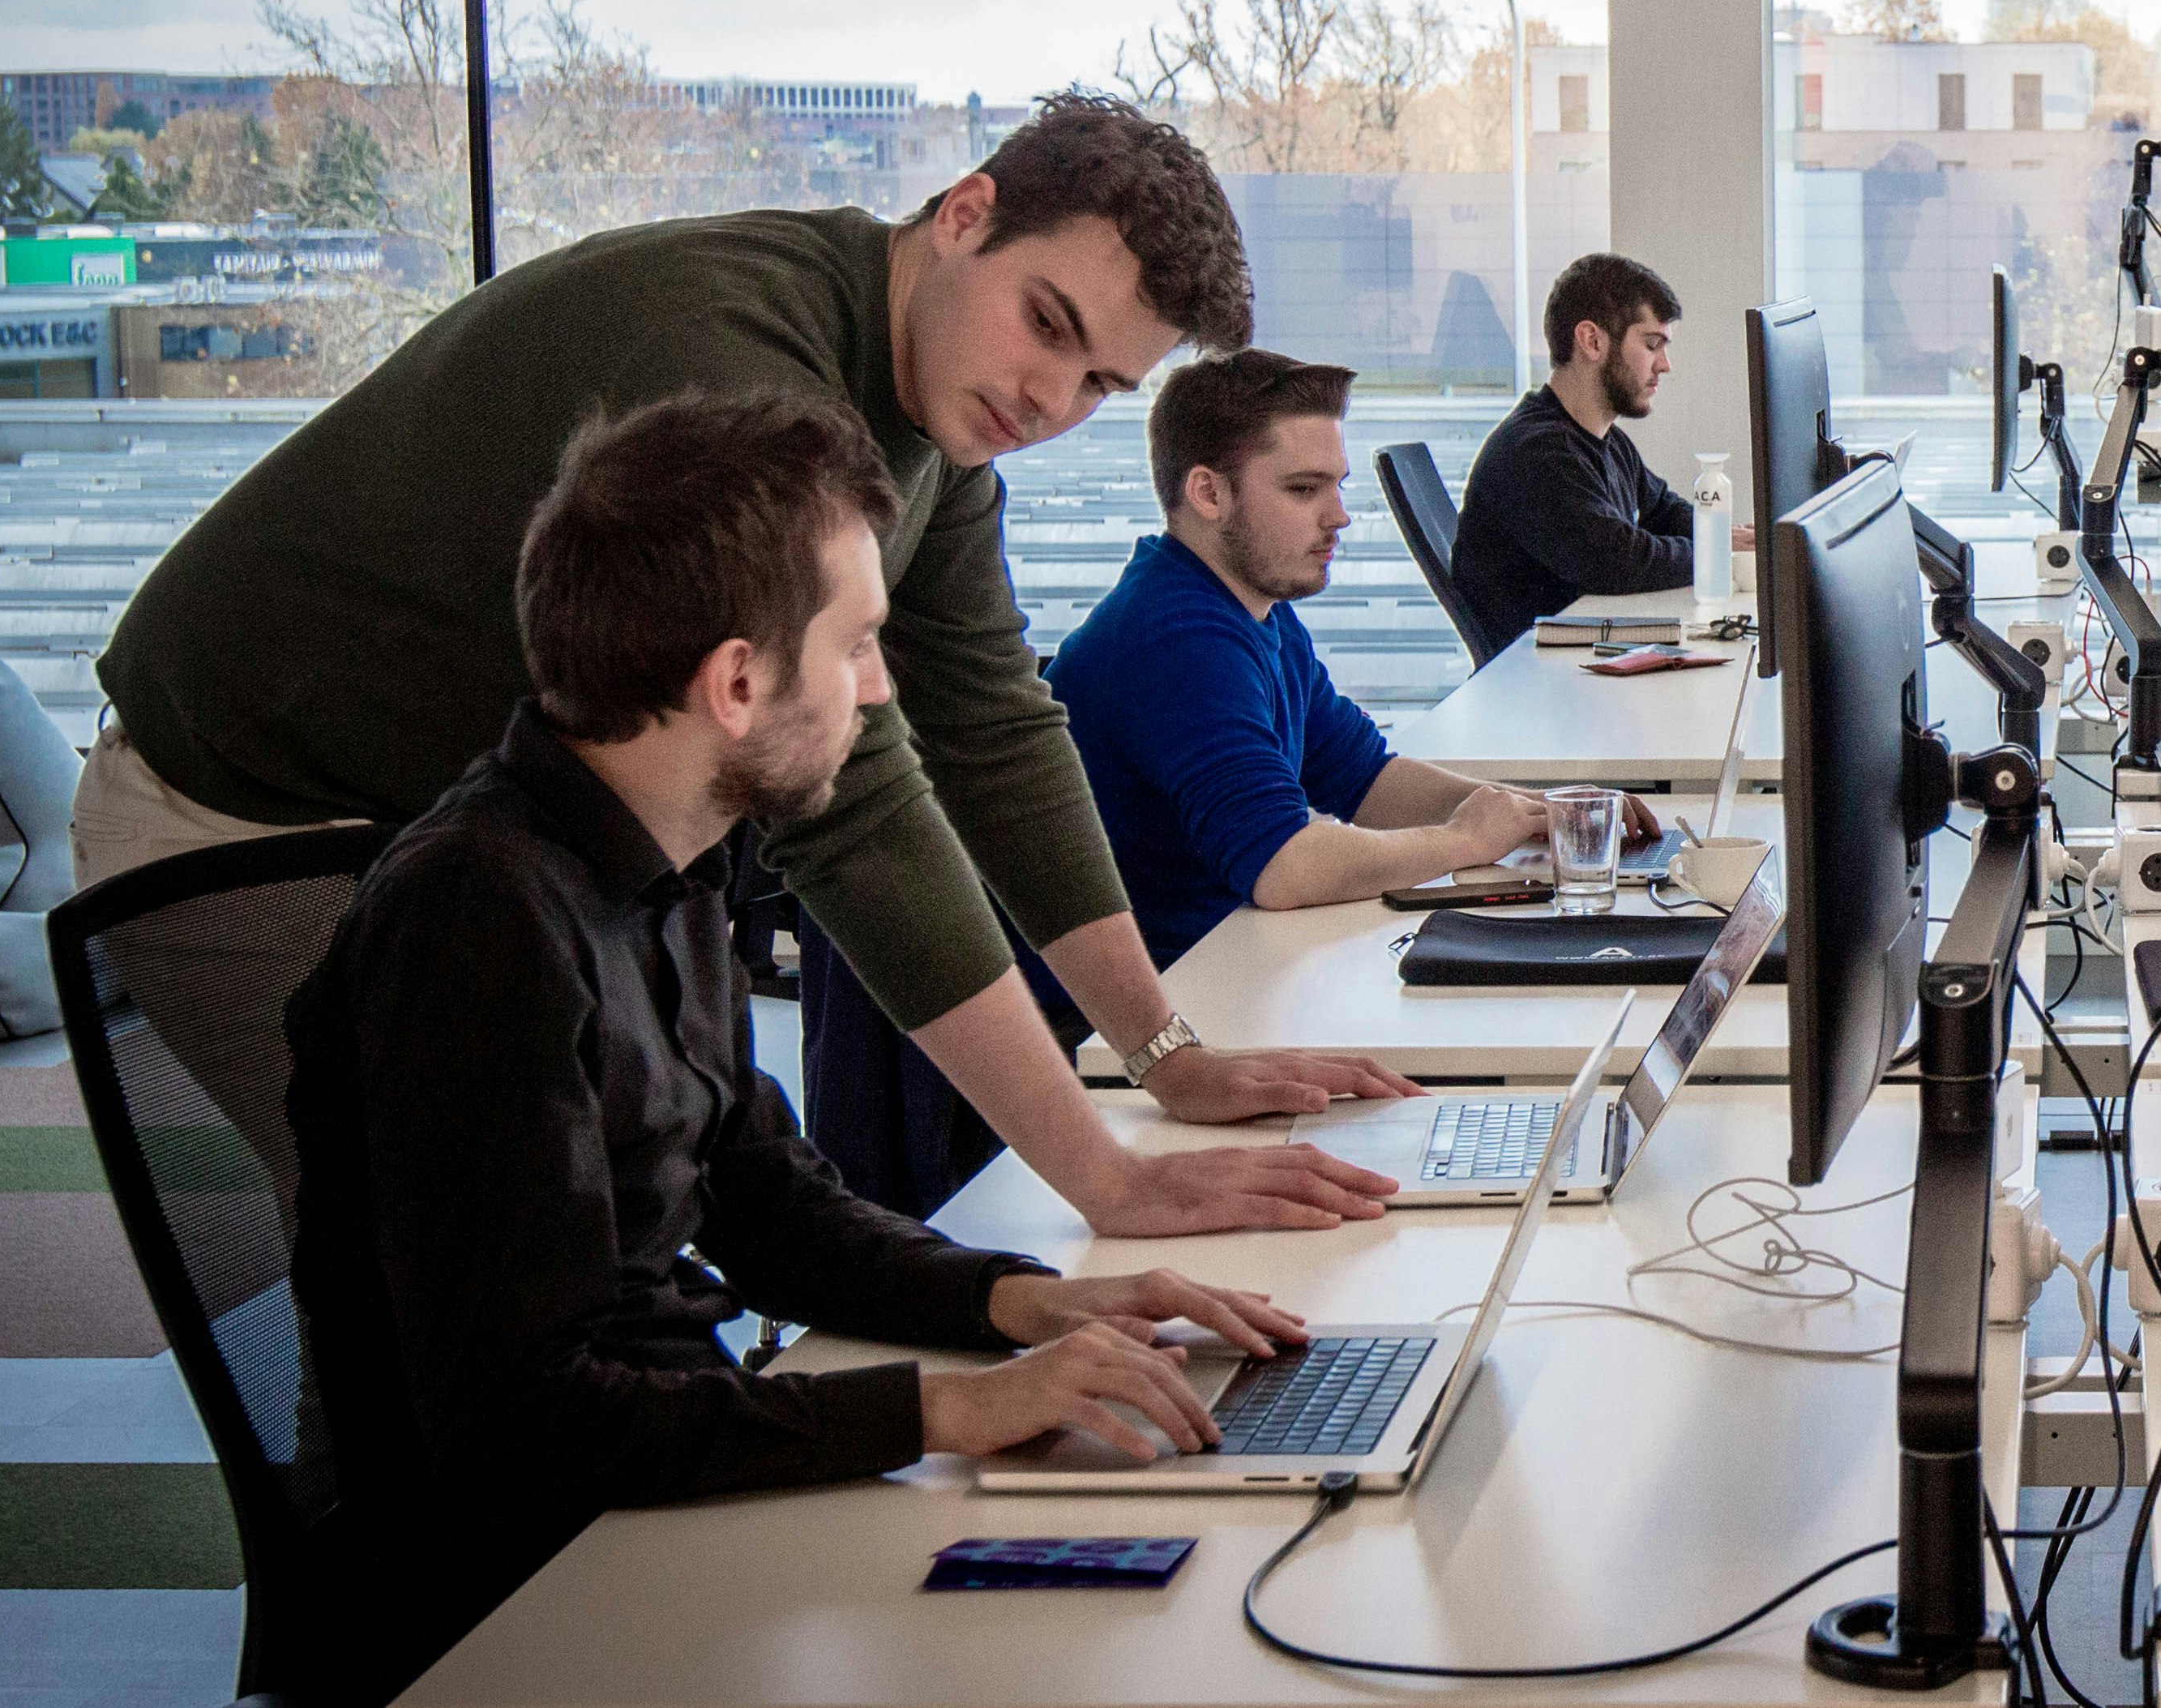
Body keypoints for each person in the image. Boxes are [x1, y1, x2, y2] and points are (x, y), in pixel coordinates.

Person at [92, 92, 1406, 1236]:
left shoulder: (937, 418)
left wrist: (1163, 1056)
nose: (1050, 399)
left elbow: (993, 729)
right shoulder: (738, 368)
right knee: (431, 1278)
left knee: (591, 1244)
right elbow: (856, 805)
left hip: (464, 826)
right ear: (963, 213)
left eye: (1102, 383)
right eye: (1047, 322)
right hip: (250, 796)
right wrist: (1102, 1174)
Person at [284, 390, 1343, 1708]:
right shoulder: (478, 923)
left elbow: (765, 1201)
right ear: (735, 683)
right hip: (522, 1596)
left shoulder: (671, 855)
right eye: (856, 645)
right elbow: (529, 1423)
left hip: (670, 1497)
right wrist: (945, 1409)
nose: (881, 690)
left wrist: (1024, 1302)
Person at [1055, 350, 1657, 961]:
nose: (1339, 516)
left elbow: (1365, 778)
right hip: (1125, 1018)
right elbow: (1284, 866)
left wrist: (1538, 811)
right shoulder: (1176, 636)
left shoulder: (1255, 608)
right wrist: (1462, 841)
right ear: (1209, 493)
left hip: (1220, 966)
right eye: (1303, 489)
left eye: (1336, 486)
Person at [1446, 251, 1697, 657]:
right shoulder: (1536, 453)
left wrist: (1728, 536)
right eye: (1652, 345)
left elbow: (1666, 512)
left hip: (1580, 669)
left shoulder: (1606, 442)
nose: (1664, 365)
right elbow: (1619, 561)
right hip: (1543, 687)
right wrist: (1714, 552)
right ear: (1592, 341)